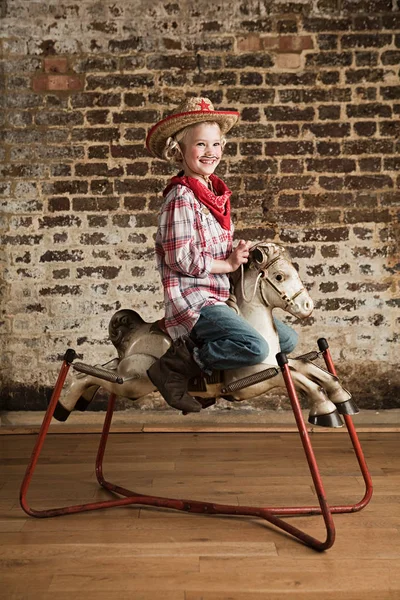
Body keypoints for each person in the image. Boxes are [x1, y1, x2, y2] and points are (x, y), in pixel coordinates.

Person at [145, 97, 298, 413]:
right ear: (180, 151)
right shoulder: (180, 199)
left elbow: (215, 250)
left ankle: (220, 379)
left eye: (215, 144)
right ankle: (176, 366)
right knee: (255, 346)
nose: (210, 151)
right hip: (195, 301)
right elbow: (182, 260)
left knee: (287, 341)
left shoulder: (213, 196)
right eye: (200, 144)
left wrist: (239, 255)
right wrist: (227, 263)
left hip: (221, 295)